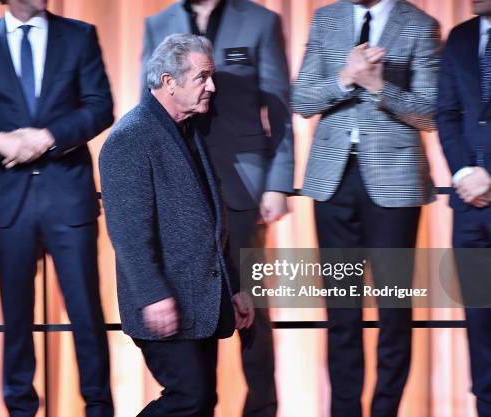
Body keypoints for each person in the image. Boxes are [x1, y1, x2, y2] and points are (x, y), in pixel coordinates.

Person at [0, 1, 114, 416]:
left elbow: (100, 107)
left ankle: (98, 407)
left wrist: (48, 137)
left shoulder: (79, 34)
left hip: (69, 193)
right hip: (10, 199)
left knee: (86, 314)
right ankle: (20, 409)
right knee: (17, 318)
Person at [141, 2, 294, 415]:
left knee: (252, 314)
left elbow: (280, 107)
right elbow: (149, 103)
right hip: (181, 185)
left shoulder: (261, 21)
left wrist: (278, 183)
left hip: (243, 187)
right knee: (195, 309)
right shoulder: (158, 24)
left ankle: (262, 409)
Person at [292, 1, 440, 417]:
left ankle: (385, 410)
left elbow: (430, 112)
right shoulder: (326, 19)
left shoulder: (420, 25)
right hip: (332, 180)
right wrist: (344, 78)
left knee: (393, 310)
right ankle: (344, 410)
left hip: (395, 184)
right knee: (341, 309)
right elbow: (302, 98)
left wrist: (378, 86)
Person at [100, 34, 255, 417]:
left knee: (201, 404)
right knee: (189, 399)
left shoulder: (189, 133)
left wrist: (233, 288)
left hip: (201, 302)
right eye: (202, 77)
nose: (212, 87)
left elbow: (211, 226)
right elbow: (128, 233)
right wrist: (152, 294)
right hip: (165, 303)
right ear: (169, 82)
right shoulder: (130, 138)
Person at [436, 0, 491, 415]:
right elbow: (447, 113)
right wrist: (462, 174)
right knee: (479, 320)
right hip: (470, 207)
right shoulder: (460, 38)